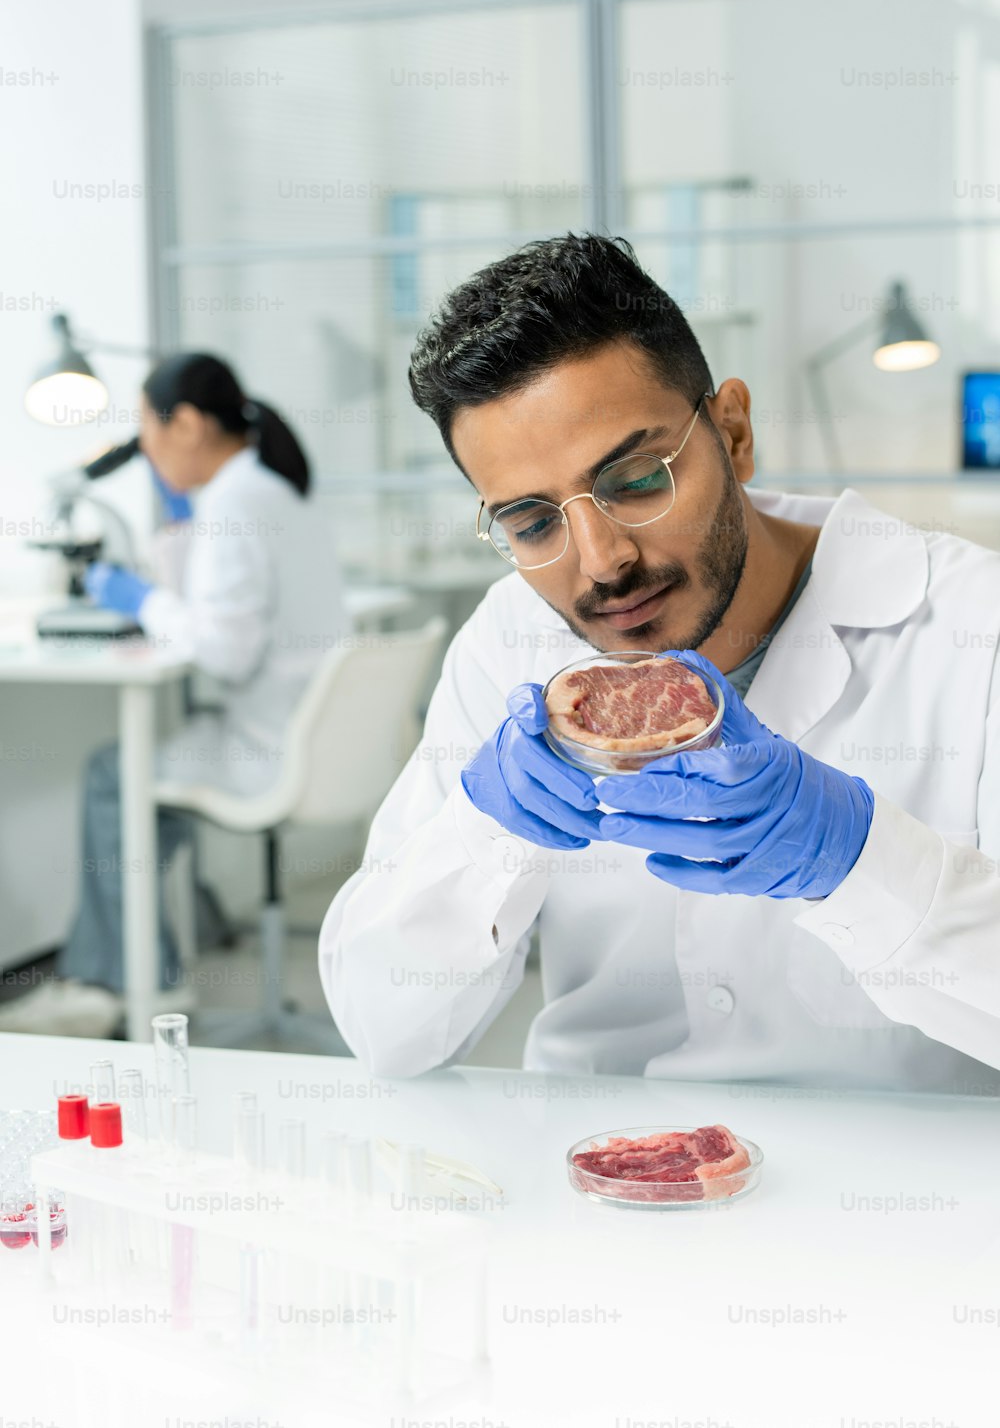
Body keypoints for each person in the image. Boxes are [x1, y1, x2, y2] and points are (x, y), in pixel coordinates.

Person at [319, 234, 1000, 1094]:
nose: (600, 560)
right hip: (596, 1185)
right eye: (533, 523)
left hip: (910, 1199)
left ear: (734, 433)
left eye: (637, 479)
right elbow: (382, 1030)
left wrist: (857, 859)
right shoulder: (510, 644)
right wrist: (485, 833)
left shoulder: (974, 628)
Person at [2, 353, 349, 1036]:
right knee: (147, 794)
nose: (147, 452)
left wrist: (144, 599)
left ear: (185, 424)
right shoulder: (273, 490)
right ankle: (125, 965)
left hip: (268, 747)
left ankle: (120, 984)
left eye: (147, 431)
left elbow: (223, 652)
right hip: (315, 735)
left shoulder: (235, 502)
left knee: (113, 774)